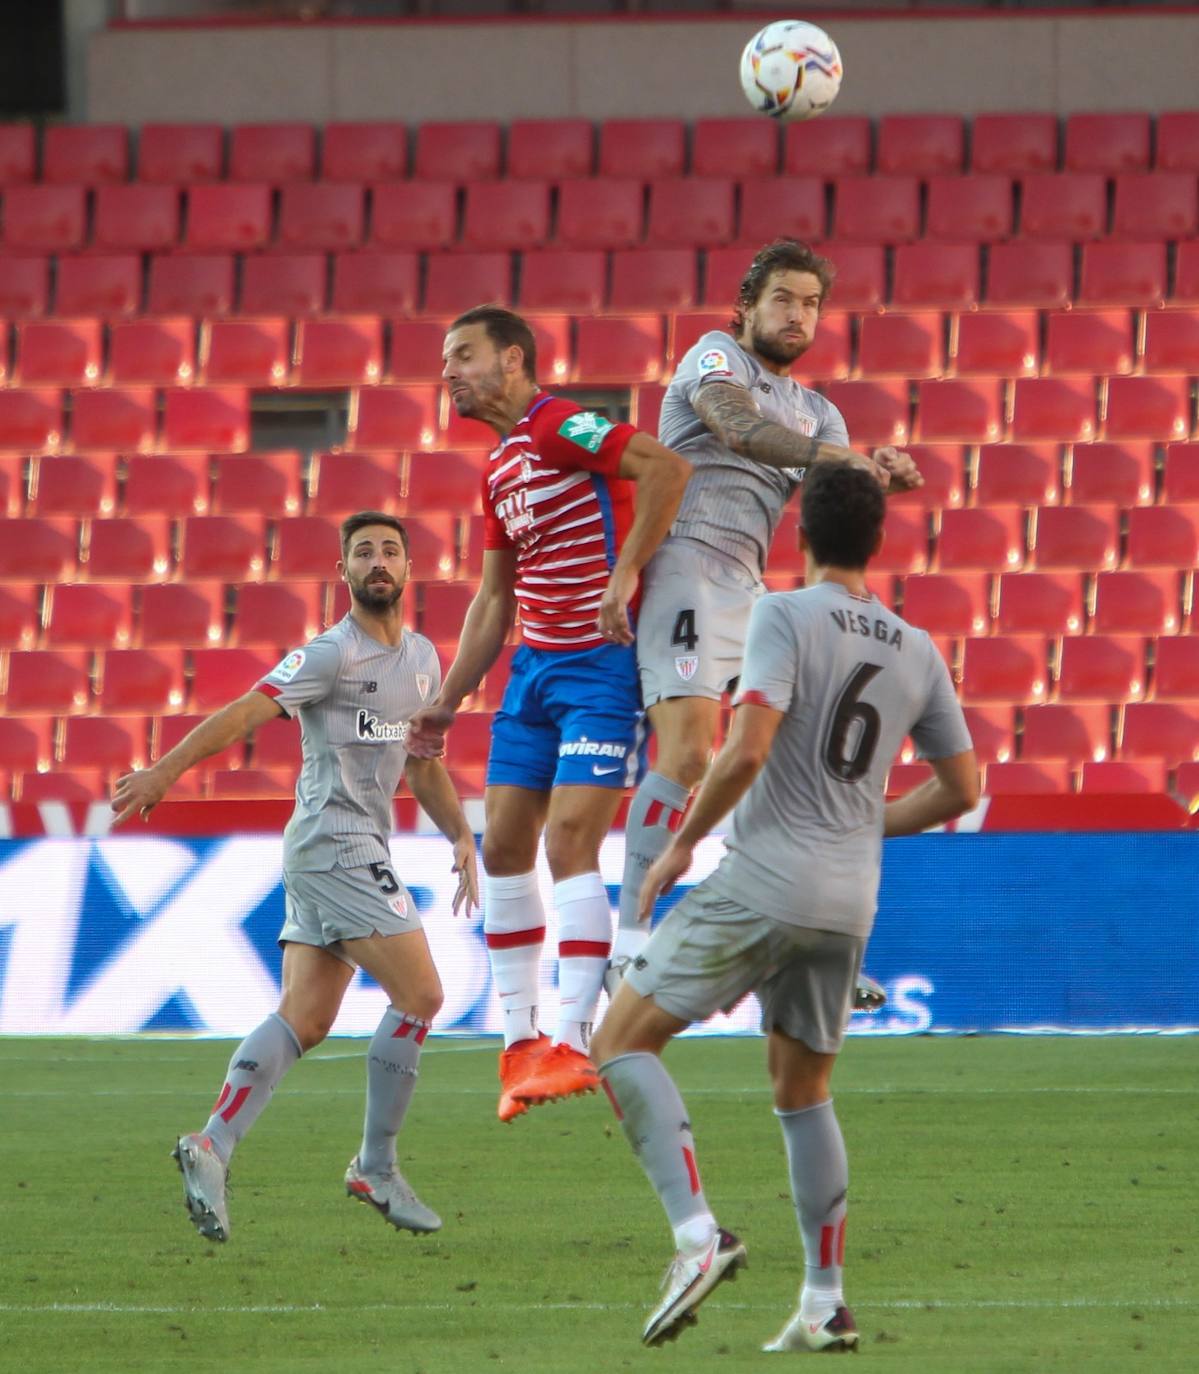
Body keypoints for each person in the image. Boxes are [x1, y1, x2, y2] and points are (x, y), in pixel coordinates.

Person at [590, 462, 979, 1350]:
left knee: (616, 1040)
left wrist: (683, 842)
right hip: (849, 899)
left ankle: (697, 1238)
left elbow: (744, 748)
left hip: (764, 877)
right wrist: (871, 823)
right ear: (878, 543)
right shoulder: (916, 648)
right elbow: (962, 787)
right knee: (804, 1095)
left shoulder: (782, 613)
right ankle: (822, 1301)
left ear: (795, 535)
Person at [111, 512, 478, 1243]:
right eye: (364, 552)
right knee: (422, 994)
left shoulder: (424, 661)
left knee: (307, 1018)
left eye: (391, 551)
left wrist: (461, 832)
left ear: (409, 570)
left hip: (339, 847)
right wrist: (163, 772)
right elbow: (245, 711)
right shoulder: (329, 655)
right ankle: (375, 1165)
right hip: (333, 843)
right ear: (342, 572)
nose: (379, 561)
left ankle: (212, 1145)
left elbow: (422, 762)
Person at [612, 239, 923, 1014]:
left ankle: (809, 943)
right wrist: (843, 456)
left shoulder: (820, 411)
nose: (797, 315)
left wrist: (876, 473)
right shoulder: (713, 358)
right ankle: (629, 947)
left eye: (811, 303)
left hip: (752, 589)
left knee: (804, 768)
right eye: (782, 299)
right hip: (684, 564)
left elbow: (836, 512)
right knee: (686, 752)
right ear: (747, 304)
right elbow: (736, 428)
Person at [405, 305, 690, 1122]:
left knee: (569, 840)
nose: (448, 372)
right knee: (501, 847)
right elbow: (493, 599)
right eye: (445, 357)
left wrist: (624, 575)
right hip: (531, 671)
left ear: (514, 359)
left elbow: (667, 469)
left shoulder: (561, 425)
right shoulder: (498, 468)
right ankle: (519, 1042)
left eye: (464, 355)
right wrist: (445, 703)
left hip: (597, 671)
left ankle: (573, 1037)